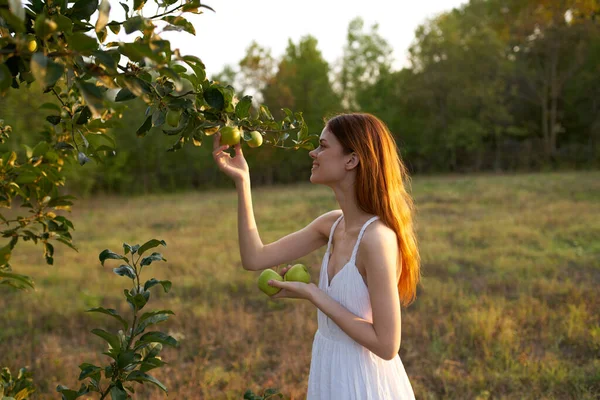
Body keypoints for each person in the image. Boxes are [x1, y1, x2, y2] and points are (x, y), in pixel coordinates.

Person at [212, 113, 420, 399]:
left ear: (351, 160)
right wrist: (242, 182)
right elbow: (254, 258)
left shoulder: (377, 239)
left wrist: (314, 294)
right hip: (329, 369)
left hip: (365, 382)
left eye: (323, 146)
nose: (313, 152)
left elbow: (387, 345)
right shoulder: (332, 225)